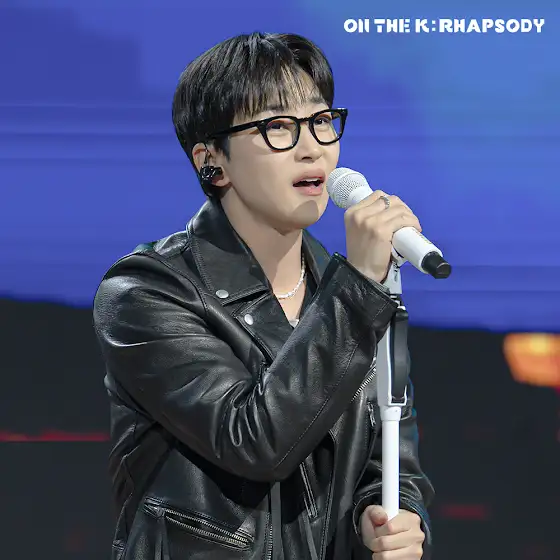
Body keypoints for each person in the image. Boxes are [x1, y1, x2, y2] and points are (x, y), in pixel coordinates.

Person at [93, 32, 435, 560]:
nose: (312, 147)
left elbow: (389, 458)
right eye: (277, 126)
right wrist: (359, 289)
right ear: (211, 161)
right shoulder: (146, 291)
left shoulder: (348, 292)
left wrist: (392, 516)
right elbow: (253, 441)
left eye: (321, 121)